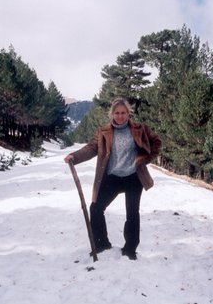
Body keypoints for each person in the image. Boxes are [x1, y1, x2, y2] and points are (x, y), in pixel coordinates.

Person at [64, 98, 161, 260]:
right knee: (95, 208)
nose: (120, 116)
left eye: (123, 113)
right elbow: (91, 148)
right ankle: (101, 244)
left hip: (133, 177)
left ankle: (130, 249)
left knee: (132, 213)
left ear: (128, 113)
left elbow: (156, 142)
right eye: (117, 113)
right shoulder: (104, 132)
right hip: (112, 177)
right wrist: (74, 156)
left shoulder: (139, 129)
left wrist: (144, 159)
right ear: (112, 114)